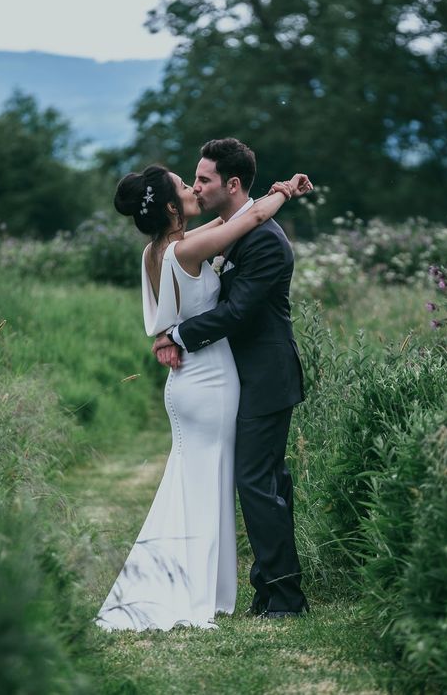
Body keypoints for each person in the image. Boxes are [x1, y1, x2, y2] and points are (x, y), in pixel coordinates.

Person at [95, 161, 311, 631]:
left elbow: (230, 222)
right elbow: (249, 220)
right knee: (221, 484)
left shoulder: (155, 252)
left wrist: (170, 333)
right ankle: (206, 588)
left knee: (195, 482)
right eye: (183, 185)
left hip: (184, 385)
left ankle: (211, 582)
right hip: (210, 381)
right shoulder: (188, 249)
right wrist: (286, 192)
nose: (193, 188)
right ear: (172, 208)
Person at [152, 138, 310, 618]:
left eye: (203, 179)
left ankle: (283, 599)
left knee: (256, 482)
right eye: (194, 180)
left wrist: (176, 333)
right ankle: (271, 589)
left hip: (267, 376)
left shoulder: (264, 241)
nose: (196, 187)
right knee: (265, 482)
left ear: (232, 184)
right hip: (243, 378)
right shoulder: (235, 231)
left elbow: (238, 311)